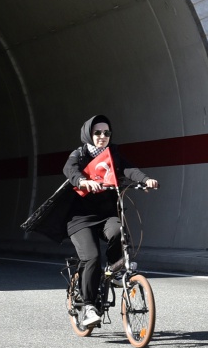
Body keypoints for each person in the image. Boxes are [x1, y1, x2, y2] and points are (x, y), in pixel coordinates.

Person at [63, 114, 157, 328]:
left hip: (106, 215)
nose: (102, 136)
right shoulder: (79, 154)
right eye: (97, 133)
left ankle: (115, 269)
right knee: (92, 257)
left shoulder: (112, 153)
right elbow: (70, 170)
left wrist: (145, 180)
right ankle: (87, 307)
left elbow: (127, 169)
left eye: (106, 133)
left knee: (118, 231)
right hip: (80, 218)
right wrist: (83, 181)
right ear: (89, 134)